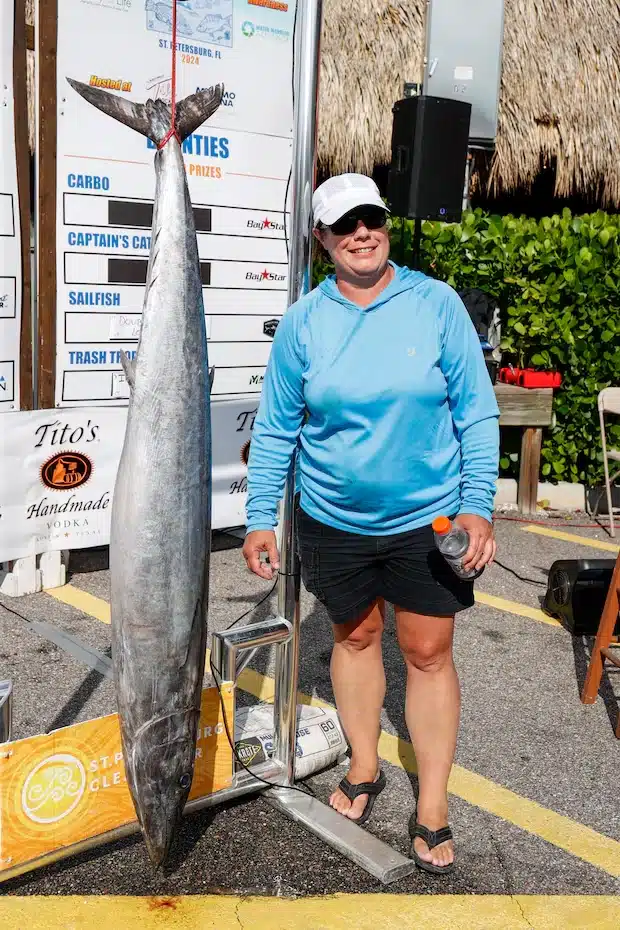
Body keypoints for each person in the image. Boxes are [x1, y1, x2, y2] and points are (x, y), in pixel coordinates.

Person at [242, 173, 499, 875]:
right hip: (332, 518)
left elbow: (476, 411)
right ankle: (363, 768)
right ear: (321, 239)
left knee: (427, 651)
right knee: (355, 638)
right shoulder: (305, 321)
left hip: (429, 517)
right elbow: (275, 430)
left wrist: (478, 503)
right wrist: (259, 516)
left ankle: (435, 806)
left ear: (386, 225)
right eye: (345, 223)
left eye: (372, 218)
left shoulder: (435, 304)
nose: (362, 232)